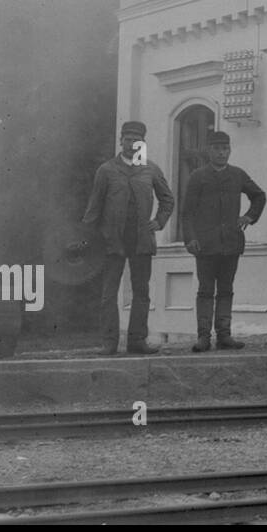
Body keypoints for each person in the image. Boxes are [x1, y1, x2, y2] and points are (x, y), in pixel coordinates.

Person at [82, 119, 174, 355]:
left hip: (142, 240)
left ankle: (137, 341)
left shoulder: (151, 169)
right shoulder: (107, 170)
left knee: (141, 292)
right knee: (108, 293)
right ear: (121, 140)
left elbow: (168, 199)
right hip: (112, 241)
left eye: (137, 139)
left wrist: (159, 221)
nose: (132, 143)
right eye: (128, 139)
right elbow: (94, 208)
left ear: (143, 142)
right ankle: (109, 342)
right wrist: (88, 239)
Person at [180, 129, 266, 352]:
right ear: (209, 151)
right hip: (205, 245)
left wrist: (249, 216)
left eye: (225, 148)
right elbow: (187, 212)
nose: (221, 153)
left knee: (226, 289)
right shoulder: (198, 176)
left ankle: (224, 335)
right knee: (206, 290)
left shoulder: (237, 174)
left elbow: (259, 195)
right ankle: (203, 337)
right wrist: (190, 239)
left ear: (230, 150)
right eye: (217, 149)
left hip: (231, 243)